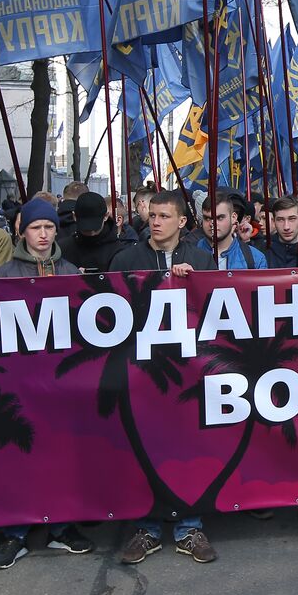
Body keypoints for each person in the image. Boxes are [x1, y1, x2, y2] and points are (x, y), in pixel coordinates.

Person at [0, 199, 94, 568]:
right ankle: (14, 533)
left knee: (62, 458)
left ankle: (61, 528)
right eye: (36, 228)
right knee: (19, 459)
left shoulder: (69, 271)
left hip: (63, 386)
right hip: (21, 386)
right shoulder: (3, 274)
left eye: (49, 227)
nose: (44, 235)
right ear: (23, 231)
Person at [110, 190, 218, 566]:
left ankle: (189, 527)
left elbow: (217, 313)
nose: (155, 222)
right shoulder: (127, 259)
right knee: (145, 449)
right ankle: (147, 528)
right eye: (152, 215)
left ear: (182, 222)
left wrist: (193, 283)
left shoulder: (203, 259)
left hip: (189, 373)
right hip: (142, 372)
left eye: (164, 216)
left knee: (188, 450)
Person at [59, 191, 137, 273]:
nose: (91, 232)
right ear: (74, 217)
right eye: (85, 228)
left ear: (106, 216)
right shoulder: (64, 249)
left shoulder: (120, 252)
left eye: (95, 227)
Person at [195, 195, 268, 269]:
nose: (212, 223)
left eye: (220, 218)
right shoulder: (189, 254)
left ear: (233, 217)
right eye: (207, 218)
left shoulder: (255, 258)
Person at [264, 195, 298, 268]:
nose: (286, 227)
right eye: (280, 220)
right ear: (274, 221)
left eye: (292, 219)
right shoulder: (263, 253)